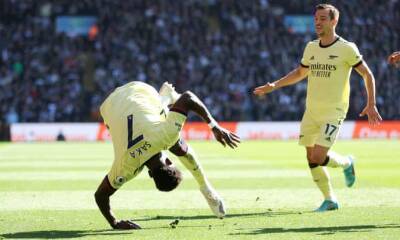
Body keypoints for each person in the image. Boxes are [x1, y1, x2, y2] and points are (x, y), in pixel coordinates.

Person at [253, 4, 382, 212]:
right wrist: (274, 85)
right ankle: (330, 199)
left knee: (319, 157)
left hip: (334, 111)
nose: (317, 22)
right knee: (310, 157)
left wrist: (371, 103)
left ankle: (347, 163)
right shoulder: (311, 47)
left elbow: (367, 74)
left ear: (334, 21)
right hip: (311, 111)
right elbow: (300, 72)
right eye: (316, 19)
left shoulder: (347, 48)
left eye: (322, 18)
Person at [94, 81, 240, 230]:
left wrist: (214, 127)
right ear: (150, 174)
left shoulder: (164, 136)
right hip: (109, 107)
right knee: (173, 142)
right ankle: (205, 187)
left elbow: (188, 97)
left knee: (170, 138)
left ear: (169, 161)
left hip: (136, 91)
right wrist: (114, 223)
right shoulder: (126, 166)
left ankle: (164, 99)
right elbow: (100, 196)